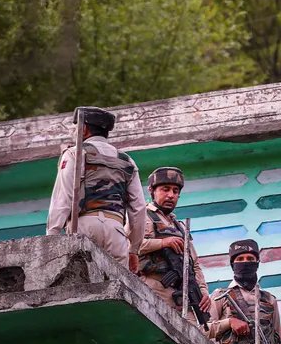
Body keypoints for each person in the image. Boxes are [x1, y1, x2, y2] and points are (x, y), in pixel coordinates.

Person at [47, 106, 146, 273]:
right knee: (117, 293)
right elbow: (139, 208)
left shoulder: (74, 153)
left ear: (83, 129)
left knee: (82, 288)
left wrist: (51, 237)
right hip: (116, 231)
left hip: (84, 226)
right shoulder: (127, 161)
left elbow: (63, 198)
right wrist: (134, 249)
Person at [136, 167, 211, 324]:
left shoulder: (180, 227)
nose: (171, 195)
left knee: (193, 339)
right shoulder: (142, 215)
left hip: (181, 294)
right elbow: (130, 246)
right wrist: (162, 243)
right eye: (165, 189)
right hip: (153, 287)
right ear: (152, 191)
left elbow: (194, 264)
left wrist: (203, 292)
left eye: (175, 191)